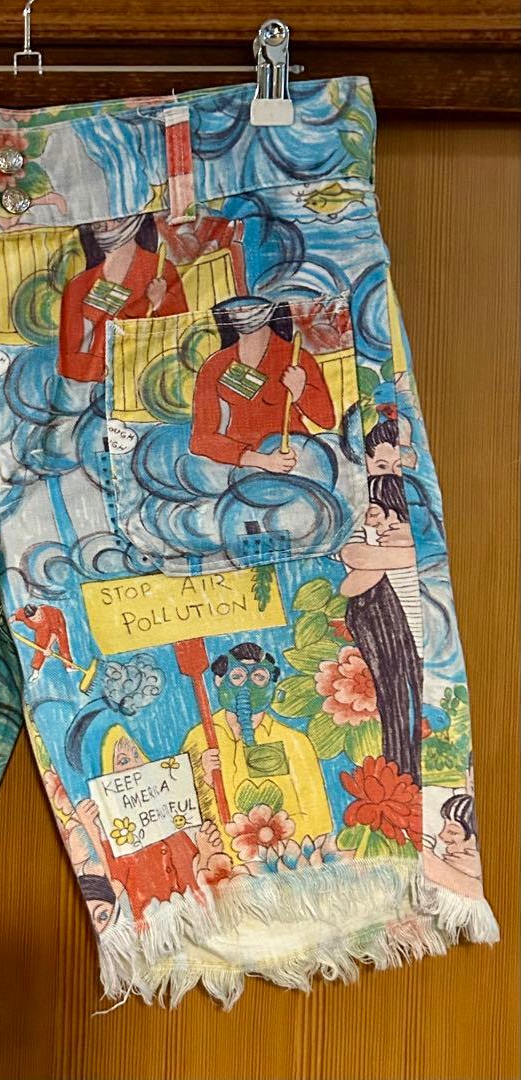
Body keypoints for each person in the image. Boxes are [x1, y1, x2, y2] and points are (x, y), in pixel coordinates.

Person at [181, 642, 334, 856]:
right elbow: (185, 818)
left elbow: (318, 821)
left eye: (259, 678)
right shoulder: (199, 739)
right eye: (237, 677)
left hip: (284, 859)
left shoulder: (294, 742)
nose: (247, 687)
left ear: (271, 685)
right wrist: (204, 779)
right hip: (222, 863)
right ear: (219, 680)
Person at [73, 725, 222, 922]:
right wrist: (91, 829)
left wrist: (208, 779)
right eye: (123, 761)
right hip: (156, 925)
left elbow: (199, 866)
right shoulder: (118, 842)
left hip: (201, 915)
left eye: (137, 756)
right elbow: (113, 886)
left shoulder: (176, 823)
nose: (135, 765)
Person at [338, 472, 425, 784]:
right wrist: (402, 554)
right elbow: (350, 582)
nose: (372, 521)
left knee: (420, 708)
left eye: (375, 512)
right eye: (368, 514)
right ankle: (404, 778)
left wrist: (398, 552)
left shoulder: (418, 534)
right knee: (397, 710)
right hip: (390, 642)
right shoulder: (367, 539)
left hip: (423, 641)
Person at [190, 296, 336, 471]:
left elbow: (327, 421)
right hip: (244, 465)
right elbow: (201, 440)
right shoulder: (216, 365)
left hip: (294, 458)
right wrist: (262, 461)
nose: (242, 311)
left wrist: (301, 393)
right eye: (235, 307)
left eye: (252, 306)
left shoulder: (297, 358)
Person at [58, 214, 188, 382]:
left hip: (146, 379)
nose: (107, 226)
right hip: (89, 385)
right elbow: (69, 357)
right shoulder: (78, 286)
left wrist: (159, 304)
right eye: (100, 222)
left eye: (116, 220)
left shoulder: (160, 270)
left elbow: (181, 336)